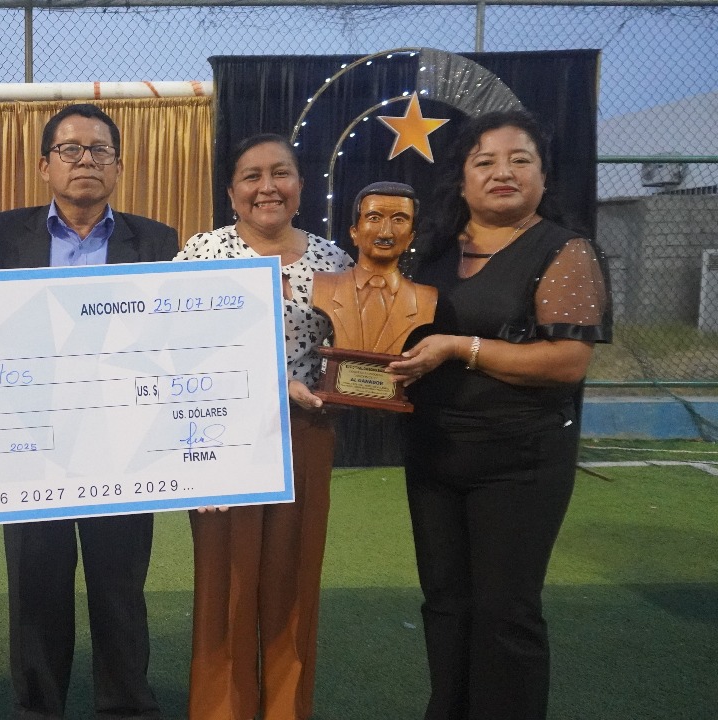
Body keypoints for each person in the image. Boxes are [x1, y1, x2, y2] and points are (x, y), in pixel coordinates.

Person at [388, 110, 612, 720]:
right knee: (445, 603)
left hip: (519, 461)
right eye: (484, 161)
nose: (502, 172)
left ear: (543, 176)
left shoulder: (564, 250)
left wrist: (461, 348)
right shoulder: (430, 250)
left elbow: (568, 361)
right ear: (462, 180)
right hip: (434, 455)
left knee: (505, 612)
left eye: (519, 160)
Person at [0, 103, 178, 720]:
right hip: (32, 443)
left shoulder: (157, 240)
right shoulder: (3, 235)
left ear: (118, 165)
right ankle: (38, 708)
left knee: (120, 587)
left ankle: (126, 707)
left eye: (100, 150)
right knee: (35, 588)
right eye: (70, 149)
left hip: (122, 443)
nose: (85, 160)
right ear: (45, 166)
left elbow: (171, 336)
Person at [174, 133, 352, 720]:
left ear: (300, 185)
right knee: (224, 582)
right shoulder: (202, 254)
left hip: (305, 434)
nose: (267, 187)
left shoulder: (335, 262)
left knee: (292, 581)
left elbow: (353, 355)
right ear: (231, 192)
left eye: (281, 173)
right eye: (251, 176)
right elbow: (171, 345)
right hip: (220, 436)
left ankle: (285, 710)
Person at [312, 181, 436, 355]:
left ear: (410, 238)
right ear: (354, 232)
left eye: (399, 220)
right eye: (374, 218)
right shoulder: (324, 287)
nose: (385, 233)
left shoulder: (426, 299)